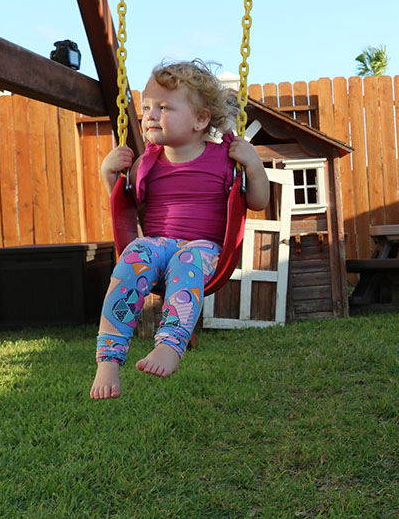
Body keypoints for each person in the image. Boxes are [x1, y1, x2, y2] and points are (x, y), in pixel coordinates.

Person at [90, 60, 270, 399]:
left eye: (163, 107)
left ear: (201, 119)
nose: (150, 115)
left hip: (203, 251)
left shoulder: (225, 158)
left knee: (186, 259)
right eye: (146, 107)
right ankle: (109, 358)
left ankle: (171, 344)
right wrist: (109, 175)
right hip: (158, 248)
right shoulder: (146, 162)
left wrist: (254, 165)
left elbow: (257, 201)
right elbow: (126, 208)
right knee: (133, 255)